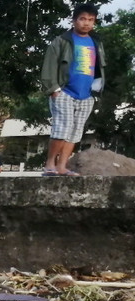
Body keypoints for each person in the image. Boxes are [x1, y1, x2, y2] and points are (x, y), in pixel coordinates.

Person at [41, 3, 106, 176]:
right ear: (74, 20)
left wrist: (94, 93)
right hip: (64, 92)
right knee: (63, 128)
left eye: (91, 20)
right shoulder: (62, 40)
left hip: (86, 95)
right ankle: (49, 164)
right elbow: (49, 65)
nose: (86, 23)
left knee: (76, 132)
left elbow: (100, 68)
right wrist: (53, 89)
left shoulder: (96, 42)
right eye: (83, 19)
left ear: (94, 22)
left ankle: (62, 166)